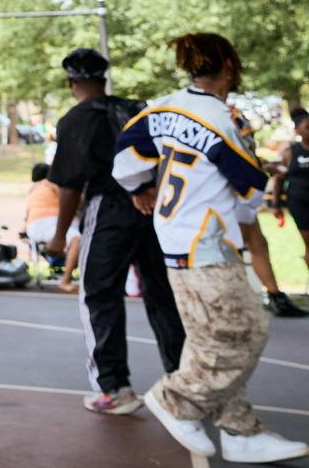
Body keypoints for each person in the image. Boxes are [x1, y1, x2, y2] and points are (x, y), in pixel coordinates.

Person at [114, 33, 308, 464]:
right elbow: (251, 184)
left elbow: (124, 159)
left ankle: (240, 431)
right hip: (208, 239)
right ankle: (176, 398)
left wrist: (140, 190)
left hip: (173, 235)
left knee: (207, 339)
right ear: (229, 66)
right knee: (247, 331)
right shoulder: (223, 118)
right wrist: (246, 214)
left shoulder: (159, 108)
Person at [45, 47, 185, 416]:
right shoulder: (137, 109)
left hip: (110, 207)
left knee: (99, 295)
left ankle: (114, 388)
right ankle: (183, 381)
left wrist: (60, 235)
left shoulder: (75, 120)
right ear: (103, 78)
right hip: (153, 206)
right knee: (162, 293)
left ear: (71, 82)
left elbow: (69, 184)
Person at [228, 104, 308, 318]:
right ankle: (238, 297)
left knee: (257, 244)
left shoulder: (231, 114)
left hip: (240, 193)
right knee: (238, 246)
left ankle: (275, 296)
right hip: (228, 194)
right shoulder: (220, 118)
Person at [24, 163, 79, 292]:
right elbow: (68, 201)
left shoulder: (32, 189)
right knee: (76, 240)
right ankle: (65, 280)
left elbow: (26, 216)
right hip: (48, 223)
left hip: (33, 228)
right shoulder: (51, 184)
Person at [279, 109, 309, 293]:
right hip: (300, 204)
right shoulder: (291, 151)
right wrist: (275, 205)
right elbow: (279, 178)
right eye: (307, 127)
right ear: (298, 131)